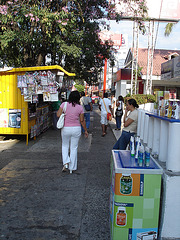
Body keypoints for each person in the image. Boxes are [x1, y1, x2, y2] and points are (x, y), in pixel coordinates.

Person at [57, 91, 88, 174]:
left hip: (66, 128)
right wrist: (85, 130)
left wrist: (65, 113)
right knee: (74, 148)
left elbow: (58, 115)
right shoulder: (80, 107)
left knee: (65, 145)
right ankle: (72, 168)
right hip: (76, 129)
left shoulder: (64, 104)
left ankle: (66, 163)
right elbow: (82, 120)